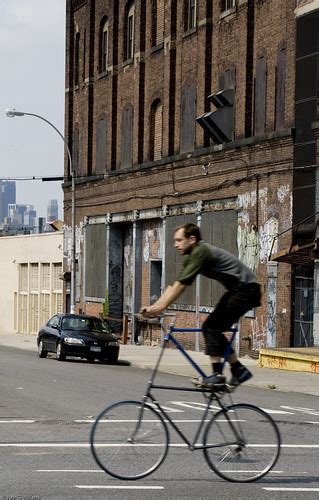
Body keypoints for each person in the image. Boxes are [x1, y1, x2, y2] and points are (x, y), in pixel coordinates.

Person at [140, 223, 261, 389]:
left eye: (179, 240)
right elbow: (174, 285)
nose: (175, 244)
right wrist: (156, 307)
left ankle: (218, 375)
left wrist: (157, 309)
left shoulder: (200, 251)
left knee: (211, 327)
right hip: (239, 290)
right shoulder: (192, 256)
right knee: (213, 328)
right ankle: (238, 370)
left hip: (246, 290)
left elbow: (181, 286)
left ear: (192, 239)